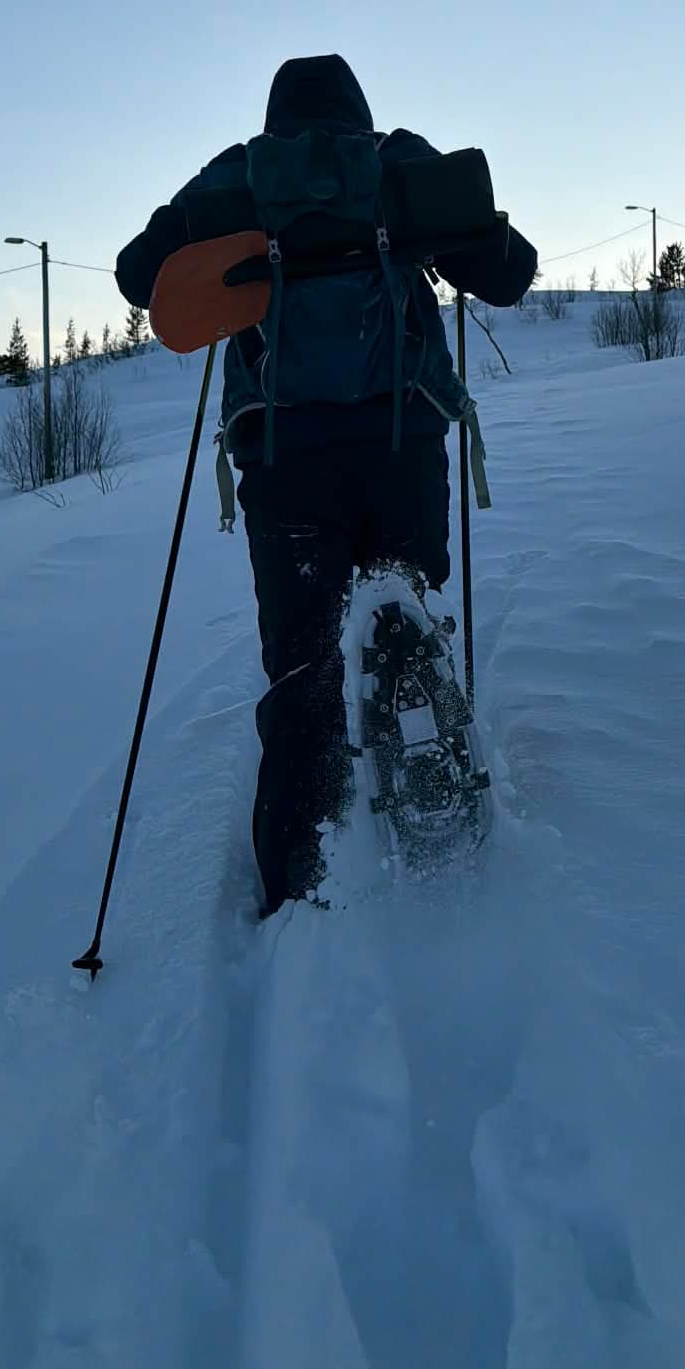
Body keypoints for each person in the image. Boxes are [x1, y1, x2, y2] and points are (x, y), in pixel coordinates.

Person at [116, 53, 537, 914]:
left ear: (276, 117)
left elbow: (137, 275)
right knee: (407, 609)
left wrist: (249, 247)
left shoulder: (237, 177)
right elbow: (512, 270)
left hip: (286, 461)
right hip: (404, 441)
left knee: (302, 668)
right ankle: (438, 811)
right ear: (359, 109)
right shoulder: (395, 162)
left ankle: (296, 891)